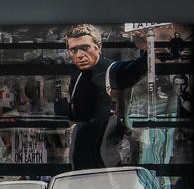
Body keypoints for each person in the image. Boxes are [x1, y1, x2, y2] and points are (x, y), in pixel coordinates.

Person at [63, 24, 149, 170]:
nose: (79, 55)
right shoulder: (78, 76)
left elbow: (139, 67)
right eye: (73, 50)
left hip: (105, 168)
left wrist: (147, 47)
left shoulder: (111, 71)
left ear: (98, 47)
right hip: (81, 168)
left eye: (85, 47)